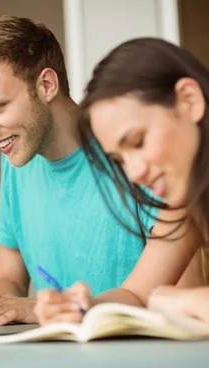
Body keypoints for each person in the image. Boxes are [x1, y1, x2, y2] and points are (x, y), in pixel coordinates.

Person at [0, 15, 203, 328]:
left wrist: (175, 300)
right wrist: (73, 306)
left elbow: (177, 301)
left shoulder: (165, 176)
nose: (132, 172)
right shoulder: (179, 196)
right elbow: (138, 293)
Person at [34, 37, 209, 324]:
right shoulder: (184, 204)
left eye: (138, 142)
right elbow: (137, 294)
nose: (134, 174)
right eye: (119, 159)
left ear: (189, 100)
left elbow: (164, 298)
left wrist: (186, 299)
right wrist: (83, 305)